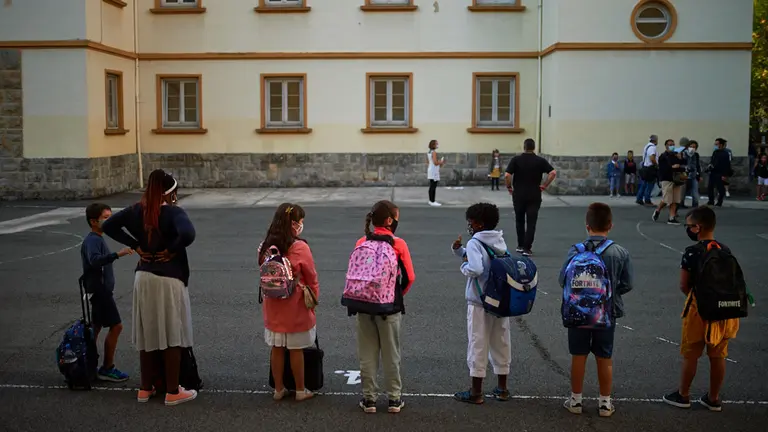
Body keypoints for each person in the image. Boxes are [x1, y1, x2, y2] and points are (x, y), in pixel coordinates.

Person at [102, 169, 198, 406]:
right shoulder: (173, 211)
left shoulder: (137, 210)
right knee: (173, 333)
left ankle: (145, 388)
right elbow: (188, 234)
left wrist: (135, 245)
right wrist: (171, 249)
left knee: (148, 333)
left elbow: (108, 225)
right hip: (169, 278)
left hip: (143, 276)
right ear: (170, 192)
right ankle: (173, 391)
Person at [663, 206, 740, 412]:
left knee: (691, 353)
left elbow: (683, 284)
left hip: (699, 311)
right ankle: (713, 398)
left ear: (698, 228)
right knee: (718, 355)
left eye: (689, 226)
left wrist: (696, 297)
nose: (687, 229)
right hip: (724, 312)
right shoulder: (725, 250)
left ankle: (683, 394)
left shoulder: (692, 252)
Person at [560, 203, 633, 417]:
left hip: (578, 313)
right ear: (610, 225)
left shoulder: (575, 251)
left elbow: (562, 279)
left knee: (578, 355)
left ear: (587, 226)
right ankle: (605, 403)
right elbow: (628, 284)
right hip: (606, 313)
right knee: (604, 356)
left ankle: (575, 400)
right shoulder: (619, 252)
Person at [354, 200, 415, 414]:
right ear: (390, 220)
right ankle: (394, 399)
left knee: (367, 354)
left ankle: (369, 399)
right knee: (391, 353)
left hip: (363, 305)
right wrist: (395, 295)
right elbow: (409, 278)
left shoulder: (362, 241)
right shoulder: (398, 244)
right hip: (389, 307)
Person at [258, 203, 320, 402]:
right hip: (295, 305)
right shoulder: (300, 247)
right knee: (295, 349)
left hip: (272, 303)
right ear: (294, 224)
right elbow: (311, 276)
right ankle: (300, 390)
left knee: (276, 348)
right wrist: (314, 298)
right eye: (300, 222)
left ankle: (278, 389)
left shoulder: (266, 246)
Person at [451, 203, 511, 404]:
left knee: (478, 341)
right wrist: (461, 252)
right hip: (500, 300)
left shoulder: (476, 241)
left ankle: (476, 391)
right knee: (501, 341)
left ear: (479, 224)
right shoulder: (499, 240)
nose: (469, 225)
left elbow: (476, 268)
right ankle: (502, 387)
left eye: (471, 222)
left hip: (479, 300)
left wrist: (463, 266)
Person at [80, 203, 133, 383]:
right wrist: (118, 254)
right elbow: (94, 261)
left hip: (99, 290)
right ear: (94, 221)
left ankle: (86, 364)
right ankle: (107, 367)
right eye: (106, 217)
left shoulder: (98, 238)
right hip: (100, 292)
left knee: (95, 328)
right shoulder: (93, 240)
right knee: (116, 326)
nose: (110, 220)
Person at [504, 138, 557, 256]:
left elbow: (507, 175)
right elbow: (553, 173)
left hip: (519, 194)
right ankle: (527, 248)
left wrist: (509, 187)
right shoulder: (540, 161)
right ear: (534, 147)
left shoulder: (516, 160)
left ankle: (520, 245)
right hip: (534, 194)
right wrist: (544, 186)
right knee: (531, 221)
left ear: (524, 147)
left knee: (519, 220)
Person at [653, 139, 685, 225]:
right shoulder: (663, 156)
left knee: (675, 200)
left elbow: (683, 165)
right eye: (670, 144)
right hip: (667, 179)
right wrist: (672, 167)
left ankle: (671, 217)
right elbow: (663, 169)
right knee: (667, 199)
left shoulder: (676, 155)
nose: (672, 146)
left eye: (673, 144)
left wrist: (680, 159)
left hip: (677, 179)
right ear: (666, 146)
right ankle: (657, 210)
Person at [706, 138, 731, 207]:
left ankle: (719, 201)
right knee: (710, 187)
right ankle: (711, 201)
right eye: (715, 144)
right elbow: (712, 161)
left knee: (720, 188)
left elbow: (727, 165)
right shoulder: (715, 152)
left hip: (720, 173)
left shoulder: (725, 154)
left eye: (717, 144)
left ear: (721, 145)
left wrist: (725, 175)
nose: (715, 145)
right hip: (713, 172)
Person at [636, 135, 659, 206]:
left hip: (645, 167)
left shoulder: (646, 146)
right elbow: (652, 158)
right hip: (651, 168)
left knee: (644, 184)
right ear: (655, 140)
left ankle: (639, 199)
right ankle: (647, 200)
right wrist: (656, 165)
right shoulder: (652, 147)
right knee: (650, 185)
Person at [680, 140, 702, 209]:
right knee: (682, 191)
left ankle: (695, 204)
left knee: (695, 191)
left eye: (694, 147)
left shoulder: (696, 155)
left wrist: (700, 175)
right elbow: (681, 164)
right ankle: (681, 204)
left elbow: (698, 165)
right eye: (691, 146)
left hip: (694, 175)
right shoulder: (683, 154)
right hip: (685, 175)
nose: (692, 148)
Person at [427, 139, 446, 207]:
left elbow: (429, 161)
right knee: (433, 186)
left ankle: (430, 200)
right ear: (433, 145)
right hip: (434, 170)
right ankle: (432, 201)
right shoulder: (434, 152)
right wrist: (441, 162)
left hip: (430, 169)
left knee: (432, 185)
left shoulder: (429, 152)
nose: (438, 145)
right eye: (436, 144)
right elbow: (435, 163)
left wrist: (438, 162)